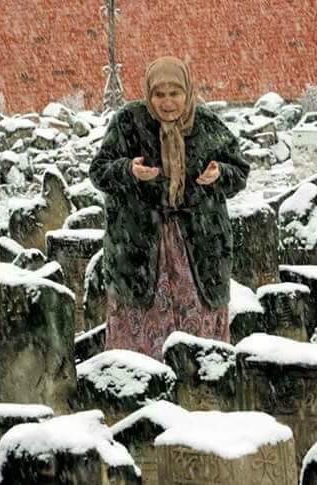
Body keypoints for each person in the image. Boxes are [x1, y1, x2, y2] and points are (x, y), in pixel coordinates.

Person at [89, 56, 251, 359]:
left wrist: (220, 174)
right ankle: (145, 385)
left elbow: (239, 171)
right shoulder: (129, 122)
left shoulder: (206, 125)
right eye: (159, 94)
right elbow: (99, 171)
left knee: (199, 342)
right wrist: (128, 170)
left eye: (175, 93)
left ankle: (197, 384)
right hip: (139, 248)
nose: (167, 102)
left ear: (187, 92)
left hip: (198, 248)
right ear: (148, 95)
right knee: (140, 342)